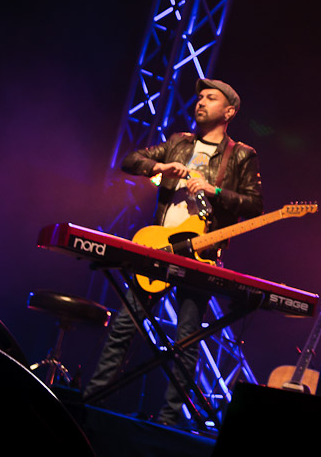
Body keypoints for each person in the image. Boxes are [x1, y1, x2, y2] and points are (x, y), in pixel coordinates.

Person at [83, 78, 263, 426]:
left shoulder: (241, 154)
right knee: (124, 325)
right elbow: (130, 159)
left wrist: (216, 189)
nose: (200, 102)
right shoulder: (179, 142)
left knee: (187, 338)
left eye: (210, 98)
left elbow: (255, 205)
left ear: (229, 111)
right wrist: (159, 167)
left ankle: (167, 420)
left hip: (200, 253)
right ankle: (92, 399)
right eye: (198, 97)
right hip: (159, 247)